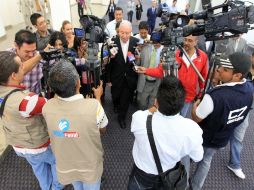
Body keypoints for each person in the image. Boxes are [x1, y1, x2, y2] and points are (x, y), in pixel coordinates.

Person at [0, 51, 63, 190]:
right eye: (21, 66)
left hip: (18, 144)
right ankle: (56, 187)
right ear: (13, 75)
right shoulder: (26, 102)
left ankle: (46, 187)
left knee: (37, 165)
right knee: (58, 161)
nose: (25, 67)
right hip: (37, 145)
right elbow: (54, 106)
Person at [127, 76, 203, 189]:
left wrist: (154, 107)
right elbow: (198, 157)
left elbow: (147, 113)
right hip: (168, 179)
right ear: (182, 104)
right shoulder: (192, 130)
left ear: (156, 101)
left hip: (141, 177)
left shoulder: (139, 119)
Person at [191, 52, 254, 190]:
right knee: (206, 161)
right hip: (222, 138)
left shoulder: (214, 96)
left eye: (225, 70)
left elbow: (196, 118)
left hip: (204, 137)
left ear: (237, 75)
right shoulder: (250, 89)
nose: (218, 69)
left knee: (188, 156)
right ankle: (195, 187)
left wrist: (195, 106)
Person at [42, 60, 108, 190]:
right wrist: (98, 98)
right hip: (89, 166)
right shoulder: (94, 106)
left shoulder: (47, 107)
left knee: (77, 186)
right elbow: (102, 130)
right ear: (78, 82)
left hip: (65, 165)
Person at [137, 35, 208, 117]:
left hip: (188, 97)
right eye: (185, 40)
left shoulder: (203, 57)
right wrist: (146, 70)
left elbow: (203, 76)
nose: (186, 43)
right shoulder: (174, 55)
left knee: (181, 119)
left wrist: (200, 93)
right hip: (173, 96)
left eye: (190, 41)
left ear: (196, 42)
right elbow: (161, 71)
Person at [105, 20, 139, 129]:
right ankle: (116, 105)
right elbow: (108, 64)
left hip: (129, 77)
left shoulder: (136, 42)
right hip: (116, 76)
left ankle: (122, 118)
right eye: (122, 32)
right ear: (118, 31)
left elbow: (137, 60)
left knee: (125, 100)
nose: (124, 35)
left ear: (131, 32)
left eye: (127, 33)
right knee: (115, 95)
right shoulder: (112, 42)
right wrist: (108, 79)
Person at [7, 29, 46, 94]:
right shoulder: (7, 56)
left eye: (33, 50)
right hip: (15, 99)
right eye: (27, 51)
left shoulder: (38, 55)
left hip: (35, 97)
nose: (31, 55)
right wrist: (38, 57)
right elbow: (21, 69)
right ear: (16, 45)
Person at [136, 40, 163, 110]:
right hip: (144, 80)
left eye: (159, 41)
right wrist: (137, 58)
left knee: (152, 102)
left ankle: (149, 117)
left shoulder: (166, 51)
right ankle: (142, 115)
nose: (157, 44)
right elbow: (138, 63)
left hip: (157, 82)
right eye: (155, 41)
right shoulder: (145, 48)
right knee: (141, 101)